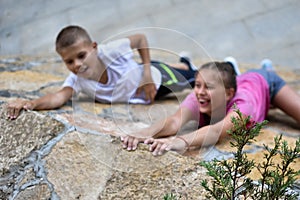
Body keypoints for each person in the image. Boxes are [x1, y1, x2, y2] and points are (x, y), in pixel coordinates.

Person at [6, 25, 197, 119]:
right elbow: (57, 98)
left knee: (192, 80)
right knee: (181, 70)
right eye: (69, 61)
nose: (77, 64)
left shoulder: (109, 51)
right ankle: (184, 62)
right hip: (136, 82)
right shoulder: (76, 80)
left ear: (94, 48)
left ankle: (226, 65)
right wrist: (30, 103)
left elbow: (140, 39)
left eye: (82, 55)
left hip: (155, 80)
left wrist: (147, 72)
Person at [121, 58, 300, 156]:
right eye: (198, 85)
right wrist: (144, 133)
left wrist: (178, 141)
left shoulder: (243, 106)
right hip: (245, 88)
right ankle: (234, 68)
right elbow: (175, 121)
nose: (200, 92)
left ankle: (267, 68)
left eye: (208, 87)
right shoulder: (198, 97)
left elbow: (216, 131)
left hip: (266, 84)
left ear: (229, 94)